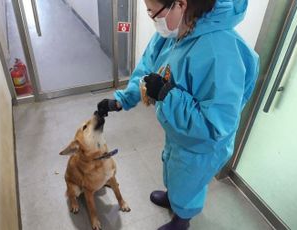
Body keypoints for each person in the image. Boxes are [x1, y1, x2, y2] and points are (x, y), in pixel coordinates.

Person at [97, 0, 259, 229]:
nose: (152, 19)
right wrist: (122, 100)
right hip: (178, 130)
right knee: (174, 167)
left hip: (201, 146)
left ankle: (182, 219)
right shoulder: (173, 32)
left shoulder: (221, 52)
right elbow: (147, 69)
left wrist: (166, 93)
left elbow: (215, 127)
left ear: (180, 4)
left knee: (189, 182)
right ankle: (174, 197)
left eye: (154, 12)